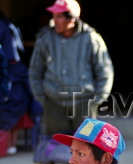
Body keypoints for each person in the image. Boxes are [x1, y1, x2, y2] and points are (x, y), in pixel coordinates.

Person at [29, 0, 113, 136]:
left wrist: (98, 98)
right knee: (58, 146)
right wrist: (42, 97)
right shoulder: (45, 39)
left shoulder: (91, 39)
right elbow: (35, 70)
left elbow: (105, 70)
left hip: (84, 102)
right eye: (53, 16)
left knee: (86, 145)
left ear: (72, 19)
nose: (54, 20)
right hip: (54, 103)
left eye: (59, 17)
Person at [0, 11, 39, 154]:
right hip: (13, 70)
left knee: (11, 105)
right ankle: (10, 145)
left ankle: (9, 145)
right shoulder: (7, 24)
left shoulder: (3, 26)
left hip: (12, 71)